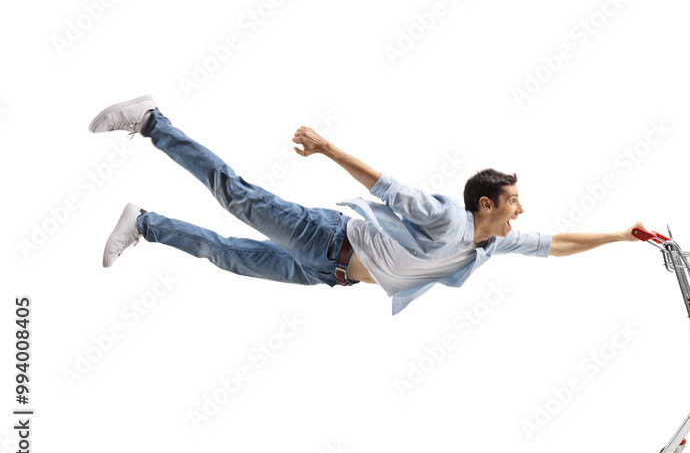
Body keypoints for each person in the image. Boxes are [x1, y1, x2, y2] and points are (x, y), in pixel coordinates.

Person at [89, 96, 646, 314]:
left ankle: (145, 224)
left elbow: (557, 244)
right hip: (325, 236)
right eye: (514, 202)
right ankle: (151, 121)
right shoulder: (447, 217)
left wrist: (621, 236)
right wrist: (328, 148)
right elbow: (387, 186)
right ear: (486, 203)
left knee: (226, 255)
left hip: (327, 273)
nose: (521, 212)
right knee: (236, 196)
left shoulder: (491, 245)